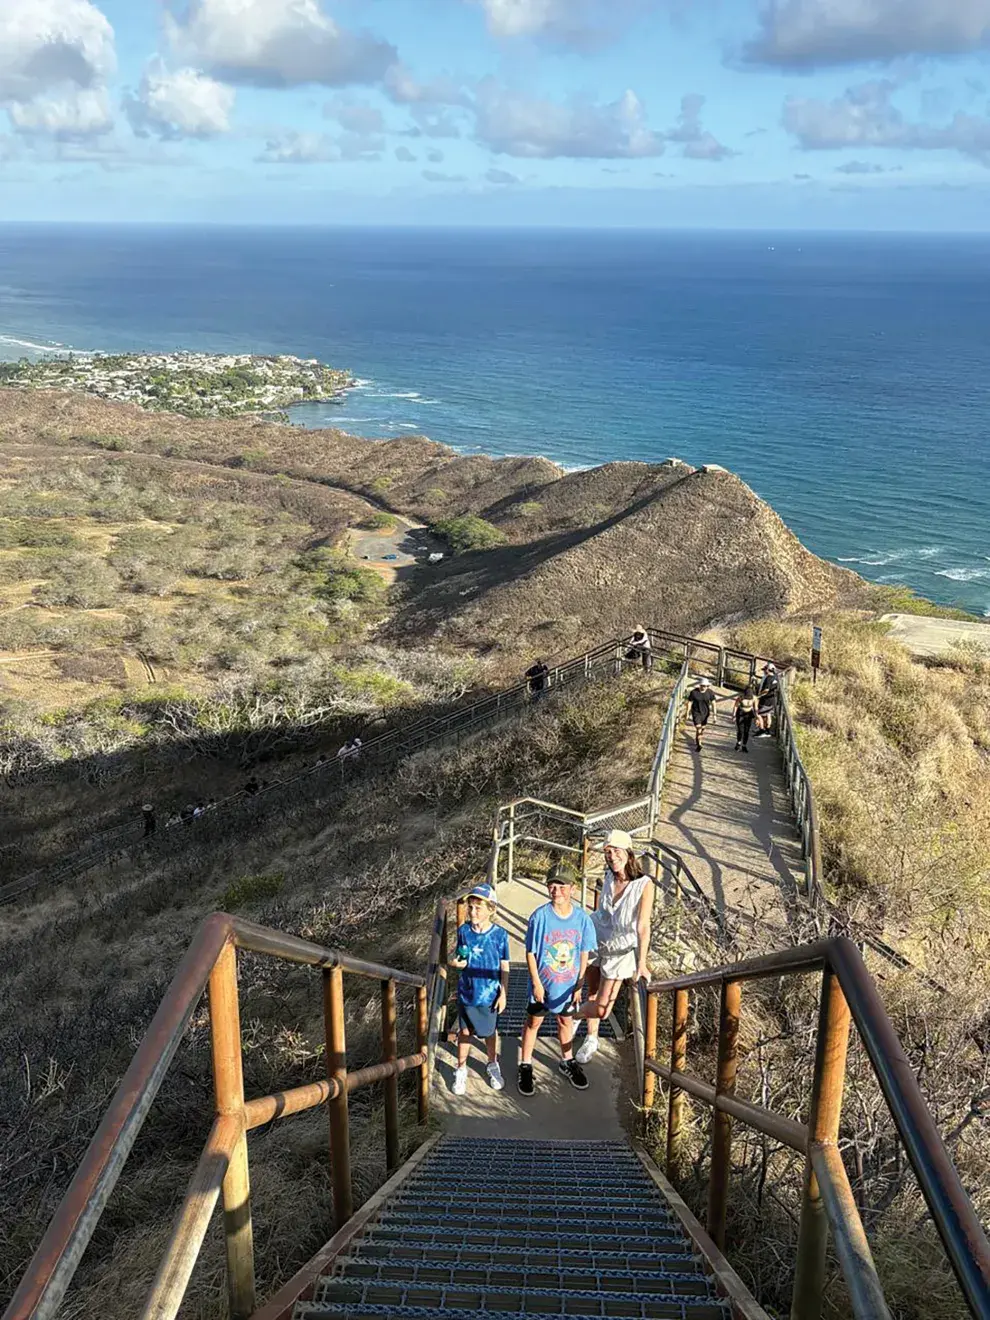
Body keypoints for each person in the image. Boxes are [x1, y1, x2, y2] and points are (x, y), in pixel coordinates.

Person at [573, 830, 652, 1064]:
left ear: (628, 852)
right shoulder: (608, 875)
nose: (612, 856)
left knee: (602, 1008)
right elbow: (601, 911)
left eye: (616, 851)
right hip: (595, 939)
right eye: (608, 852)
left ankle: (572, 1015)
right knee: (592, 991)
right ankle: (591, 1038)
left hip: (620, 951)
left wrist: (641, 963)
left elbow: (643, 925)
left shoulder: (643, 885)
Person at [518, 870, 597, 1096]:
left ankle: (567, 1060)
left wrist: (579, 983)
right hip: (543, 985)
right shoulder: (540, 917)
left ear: (573, 889)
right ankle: (525, 1064)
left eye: (562, 886)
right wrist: (536, 983)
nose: (557, 891)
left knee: (565, 1021)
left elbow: (584, 952)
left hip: (568, 986)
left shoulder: (582, 919)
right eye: (552, 885)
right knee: (533, 1022)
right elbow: (531, 952)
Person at [450, 883, 510, 1095]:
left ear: (491, 909)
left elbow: (504, 965)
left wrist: (503, 993)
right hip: (468, 991)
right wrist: (455, 962)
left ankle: (492, 1063)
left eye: (478, 908)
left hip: (489, 994)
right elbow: (461, 955)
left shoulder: (500, 935)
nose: (473, 912)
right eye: (470, 907)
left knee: (489, 1032)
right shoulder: (464, 931)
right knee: (465, 1031)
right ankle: (461, 1068)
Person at [685, 675, 718, 752]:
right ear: (700, 685)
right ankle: (699, 744)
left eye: (706, 686)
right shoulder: (694, 692)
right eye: (703, 686)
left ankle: (697, 740)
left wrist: (714, 715)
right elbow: (689, 702)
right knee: (699, 728)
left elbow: (714, 703)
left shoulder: (710, 692)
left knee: (701, 729)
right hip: (696, 713)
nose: (704, 687)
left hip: (705, 713)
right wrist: (687, 713)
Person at [755, 663, 779, 737]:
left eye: (765, 670)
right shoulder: (775, 677)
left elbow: (766, 690)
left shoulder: (768, 678)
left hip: (765, 699)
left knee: (758, 714)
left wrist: (759, 696)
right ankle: (767, 730)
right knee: (768, 714)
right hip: (771, 699)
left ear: (768, 670)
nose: (764, 671)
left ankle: (762, 730)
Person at [733, 685, 759, 753]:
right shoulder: (740, 697)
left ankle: (744, 745)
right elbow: (736, 706)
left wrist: (757, 718)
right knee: (740, 730)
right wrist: (734, 715)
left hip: (749, 714)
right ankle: (738, 743)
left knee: (746, 731)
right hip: (741, 713)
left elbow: (756, 708)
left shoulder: (754, 698)